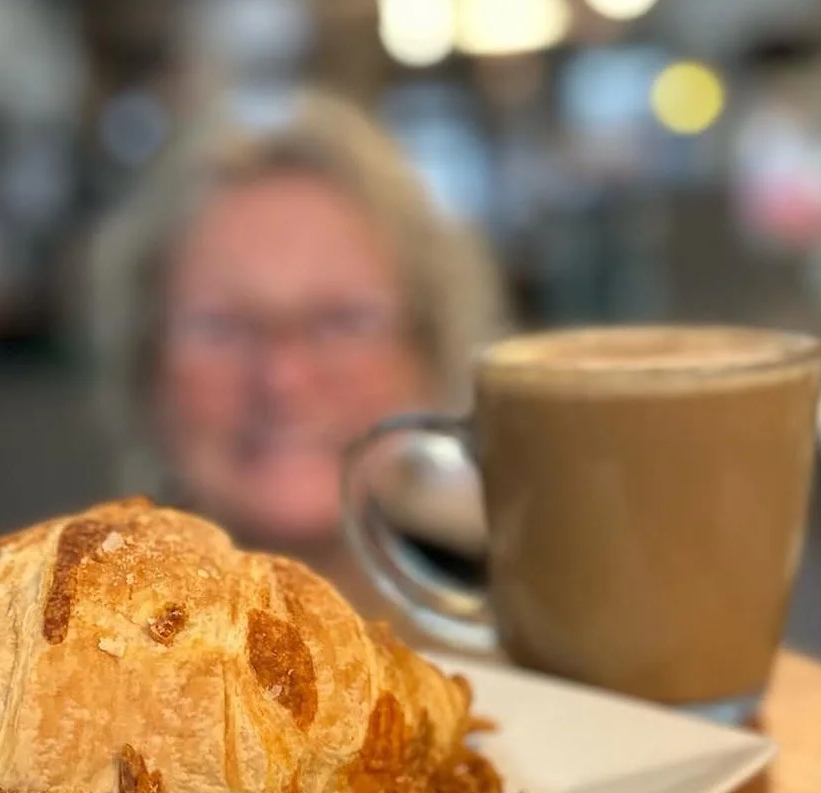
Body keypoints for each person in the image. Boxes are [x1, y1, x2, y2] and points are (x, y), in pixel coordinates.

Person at [84, 89, 506, 612]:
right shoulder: (60, 667)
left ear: (429, 349)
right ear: (146, 365)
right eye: (223, 327)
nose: (284, 379)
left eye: (342, 321)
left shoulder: (538, 647)